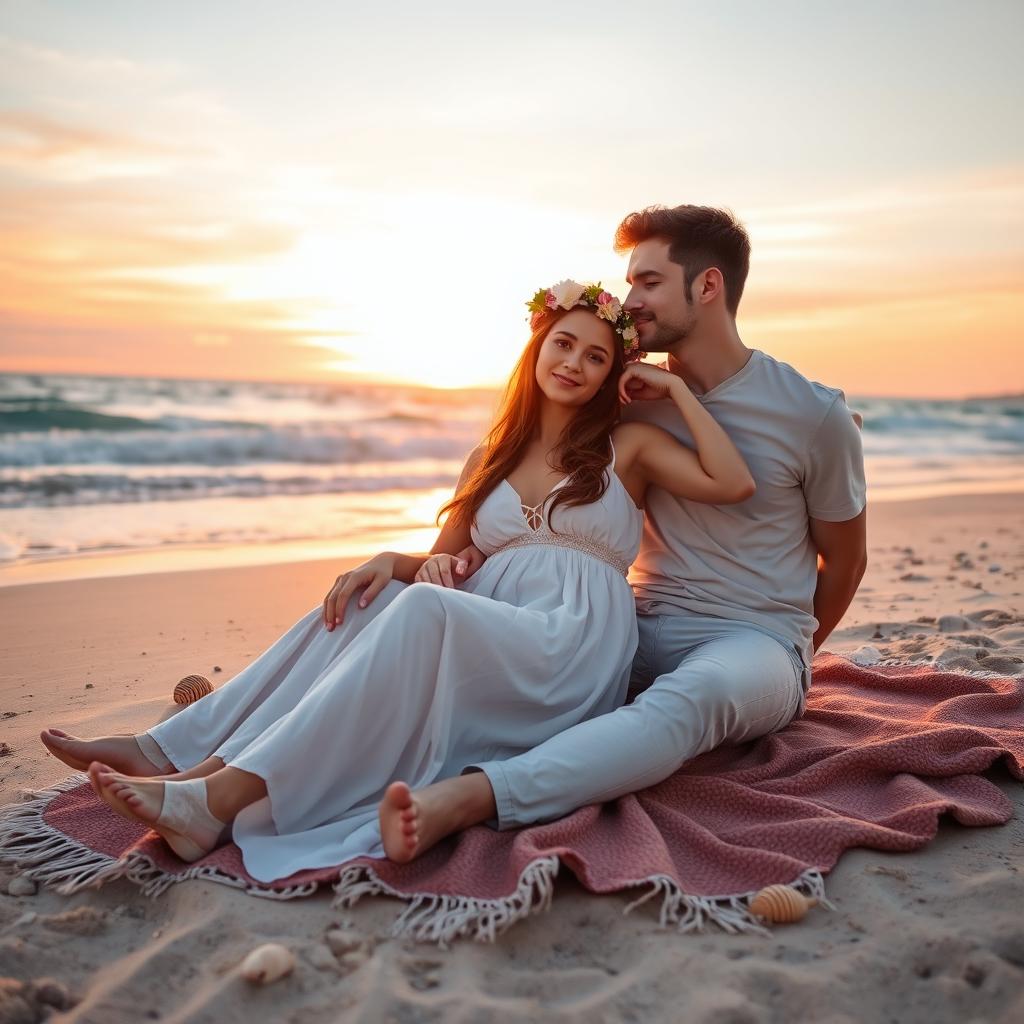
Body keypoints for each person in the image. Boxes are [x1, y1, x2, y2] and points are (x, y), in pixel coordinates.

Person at [39, 278, 754, 880]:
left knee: (419, 612)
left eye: (596, 355)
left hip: (569, 647)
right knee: (368, 602)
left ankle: (218, 796)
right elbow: (448, 559)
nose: (574, 362)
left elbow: (732, 480)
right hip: (491, 631)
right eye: (562, 344)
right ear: (537, 348)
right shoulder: (489, 458)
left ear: (610, 374)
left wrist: (670, 391)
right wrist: (389, 560)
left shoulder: (624, 445)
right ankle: (173, 760)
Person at [374, 205, 868, 865]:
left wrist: (788, 655)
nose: (629, 301)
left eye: (649, 282)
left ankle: (471, 799)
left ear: (708, 287)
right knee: (453, 635)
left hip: (751, 638)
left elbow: (845, 561)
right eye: (629, 282)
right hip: (629, 623)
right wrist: (462, 553)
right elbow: (545, 484)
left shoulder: (813, 414)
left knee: (699, 695)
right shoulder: (626, 398)